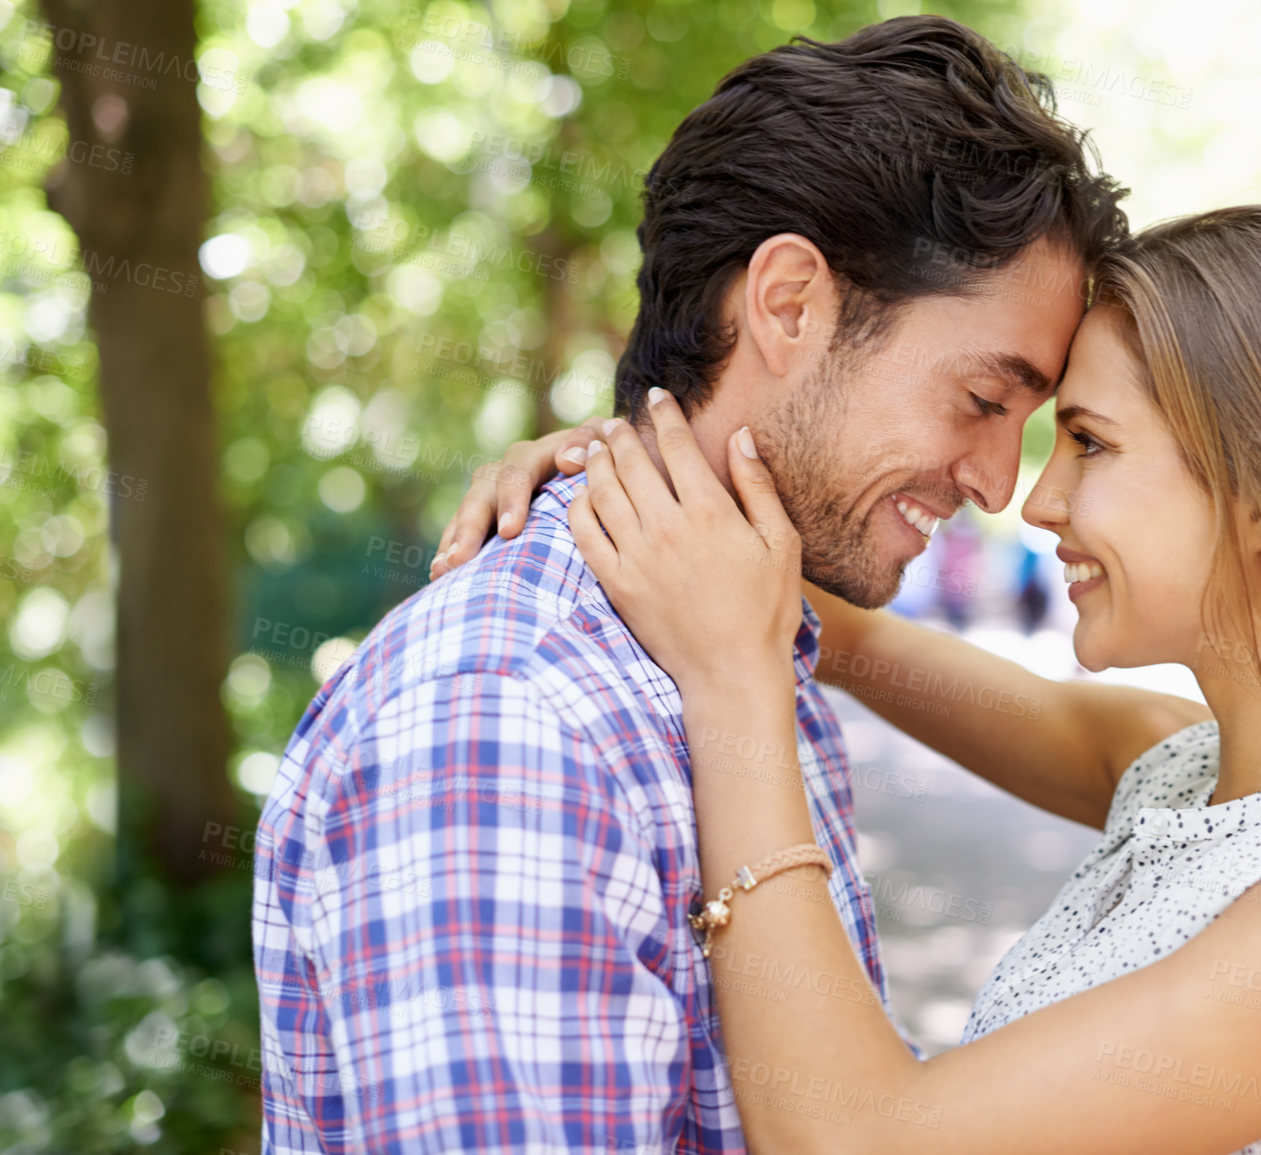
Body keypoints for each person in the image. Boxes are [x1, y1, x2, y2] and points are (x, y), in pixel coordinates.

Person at [446, 207, 1261, 1154]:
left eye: (1092, 445)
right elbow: (837, 635)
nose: (1035, 500)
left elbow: (857, 1142)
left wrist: (734, 689)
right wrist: (635, 484)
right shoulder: (1186, 770)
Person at [249, 15, 1133, 1153]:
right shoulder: (509, 719)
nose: (998, 485)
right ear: (787, 304)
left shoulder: (747, 652)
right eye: (980, 400)